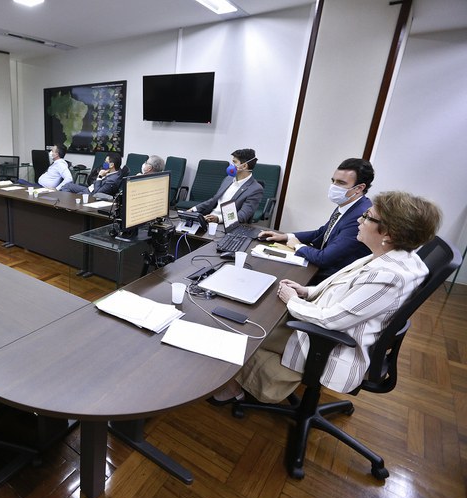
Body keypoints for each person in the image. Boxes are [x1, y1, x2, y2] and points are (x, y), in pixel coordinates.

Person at [209, 191, 441, 405]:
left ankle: (234, 389)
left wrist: (292, 300)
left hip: (329, 342)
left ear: (390, 234)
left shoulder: (389, 276)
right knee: (254, 313)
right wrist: (305, 291)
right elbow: (341, 286)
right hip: (328, 325)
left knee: (238, 328)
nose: (359, 221)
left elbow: (330, 321)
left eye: (367, 217)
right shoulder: (395, 258)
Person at [259, 158, 375, 282]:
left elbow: (324, 258)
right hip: (324, 267)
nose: (334, 186)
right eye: (333, 181)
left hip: (332, 277)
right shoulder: (348, 204)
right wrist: (285, 236)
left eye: (341, 183)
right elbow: (322, 232)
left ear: (359, 188)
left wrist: (297, 245)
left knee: (273, 275)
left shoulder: (359, 216)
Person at [189, 148, 263, 224]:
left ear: (244, 166)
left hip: (226, 225)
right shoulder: (228, 179)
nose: (231, 165)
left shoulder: (255, 189)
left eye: (234, 162)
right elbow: (214, 199)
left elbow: (242, 215)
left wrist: (218, 219)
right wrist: (193, 209)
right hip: (209, 219)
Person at [60, 153, 126, 196]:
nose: (104, 163)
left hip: (91, 193)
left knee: (73, 197)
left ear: (112, 165)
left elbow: (97, 193)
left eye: (106, 162)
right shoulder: (116, 171)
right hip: (90, 188)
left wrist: (100, 176)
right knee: (67, 186)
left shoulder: (112, 181)